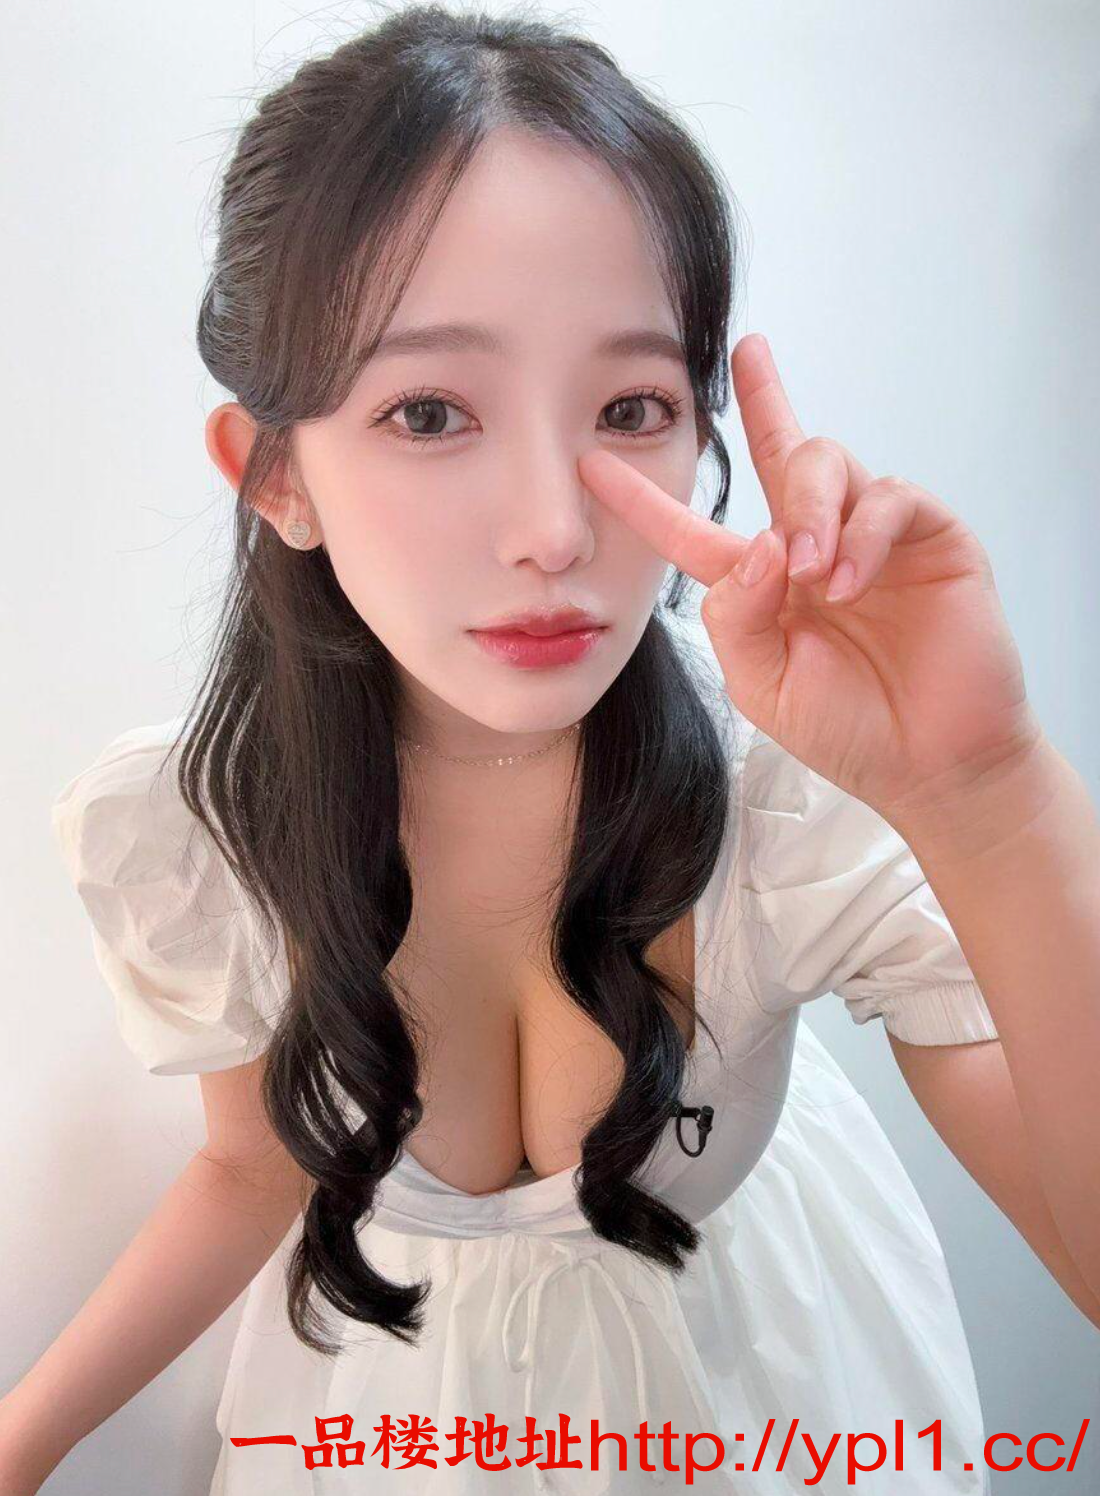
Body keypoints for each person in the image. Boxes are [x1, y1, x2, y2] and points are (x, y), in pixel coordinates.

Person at [5, 6, 1098, 1493]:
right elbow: (252, 1160)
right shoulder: (197, 828)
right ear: (273, 475)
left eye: (632, 408)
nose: (555, 532)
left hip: (768, 1397)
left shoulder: (786, 793)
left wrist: (988, 796)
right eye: (430, 411)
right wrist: (26, 1438)